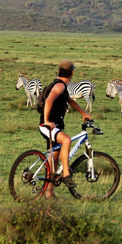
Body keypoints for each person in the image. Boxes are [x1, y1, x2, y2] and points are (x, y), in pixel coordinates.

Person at [38, 60, 92, 199]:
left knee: (54, 159)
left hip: (54, 126)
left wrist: (83, 113)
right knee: (66, 140)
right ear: (72, 73)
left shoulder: (61, 86)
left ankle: (49, 193)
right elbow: (49, 100)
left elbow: (70, 100)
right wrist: (46, 121)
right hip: (49, 126)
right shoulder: (60, 86)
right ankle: (67, 174)